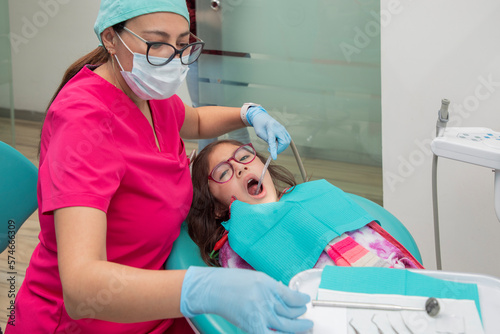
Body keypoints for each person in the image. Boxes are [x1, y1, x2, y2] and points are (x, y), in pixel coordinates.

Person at [6, 1, 312, 333]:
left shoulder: (147, 93)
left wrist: (247, 114)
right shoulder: (83, 125)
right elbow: (82, 288)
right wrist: (204, 288)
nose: (172, 58)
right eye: (157, 44)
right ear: (111, 38)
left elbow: (192, 120)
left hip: (156, 306)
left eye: (183, 44)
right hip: (90, 322)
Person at [187, 140, 424, 283]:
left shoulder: (313, 195)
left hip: (401, 287)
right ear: (217, 208)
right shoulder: (238, 245)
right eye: (223, 173)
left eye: (245, 157)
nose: (240, 167)